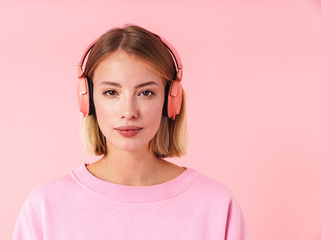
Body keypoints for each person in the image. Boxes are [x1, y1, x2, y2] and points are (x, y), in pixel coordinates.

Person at [13, 24, 250, 240]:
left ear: (170, 101)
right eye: (111, 93)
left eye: (145, 93)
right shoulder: (46, 205)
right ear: (88, 100)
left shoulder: (216, 205)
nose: (129, 112)